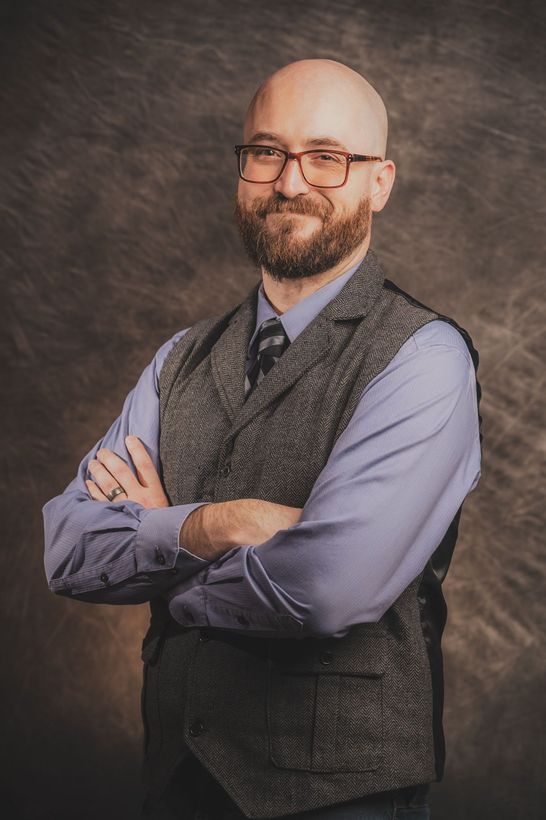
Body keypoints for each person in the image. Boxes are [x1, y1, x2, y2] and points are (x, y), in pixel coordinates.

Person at [43, 58, 483, 820]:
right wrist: (219, 523)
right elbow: (67, 549)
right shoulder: (180, 359)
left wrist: (159, 550)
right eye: (266, 152)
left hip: (345, 798)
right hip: (175, 781)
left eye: (326, 157)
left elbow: (323, 591)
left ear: (380, 182)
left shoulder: (424, 357)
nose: (288, 182)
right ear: (242, 169)